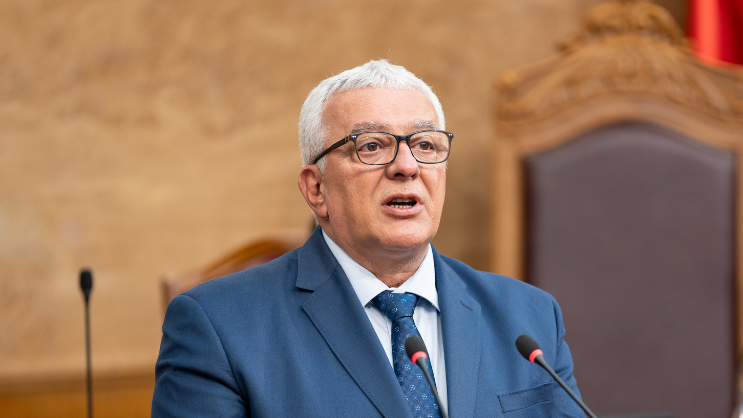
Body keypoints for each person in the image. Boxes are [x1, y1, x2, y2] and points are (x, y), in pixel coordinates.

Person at [152, 60, 585, 418]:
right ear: (316, 189)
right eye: (372, 146)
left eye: (425, 145)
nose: (407, 166)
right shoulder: (217, 327)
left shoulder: (529, 318)